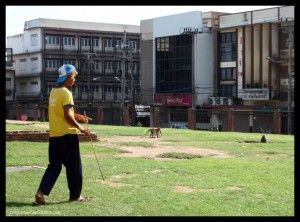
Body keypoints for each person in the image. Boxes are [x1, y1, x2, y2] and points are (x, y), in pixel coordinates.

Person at [33, 64, 91, 205]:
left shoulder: (53, 92)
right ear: (67, 77)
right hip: (68, 137)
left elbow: (64, 113)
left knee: (54, 166)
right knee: (74, 167)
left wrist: (78, 116)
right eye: (73, 76)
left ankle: (40, 193)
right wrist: (81, 128)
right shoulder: (66, 93)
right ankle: (75, 196)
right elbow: (67, 116)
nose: (74, 80)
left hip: (54, 137)